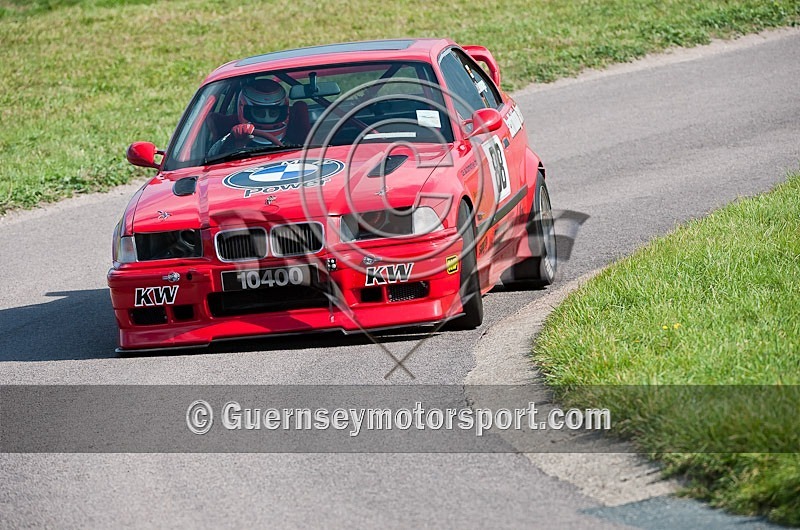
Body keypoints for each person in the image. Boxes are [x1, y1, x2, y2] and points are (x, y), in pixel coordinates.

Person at [208, 78, 289, 156]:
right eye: (259, 112)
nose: (266, 118)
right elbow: (210, 156)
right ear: (243, 111)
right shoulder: (230, 137)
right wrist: (231, 141)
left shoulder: (296, 137)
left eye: (273, 112)